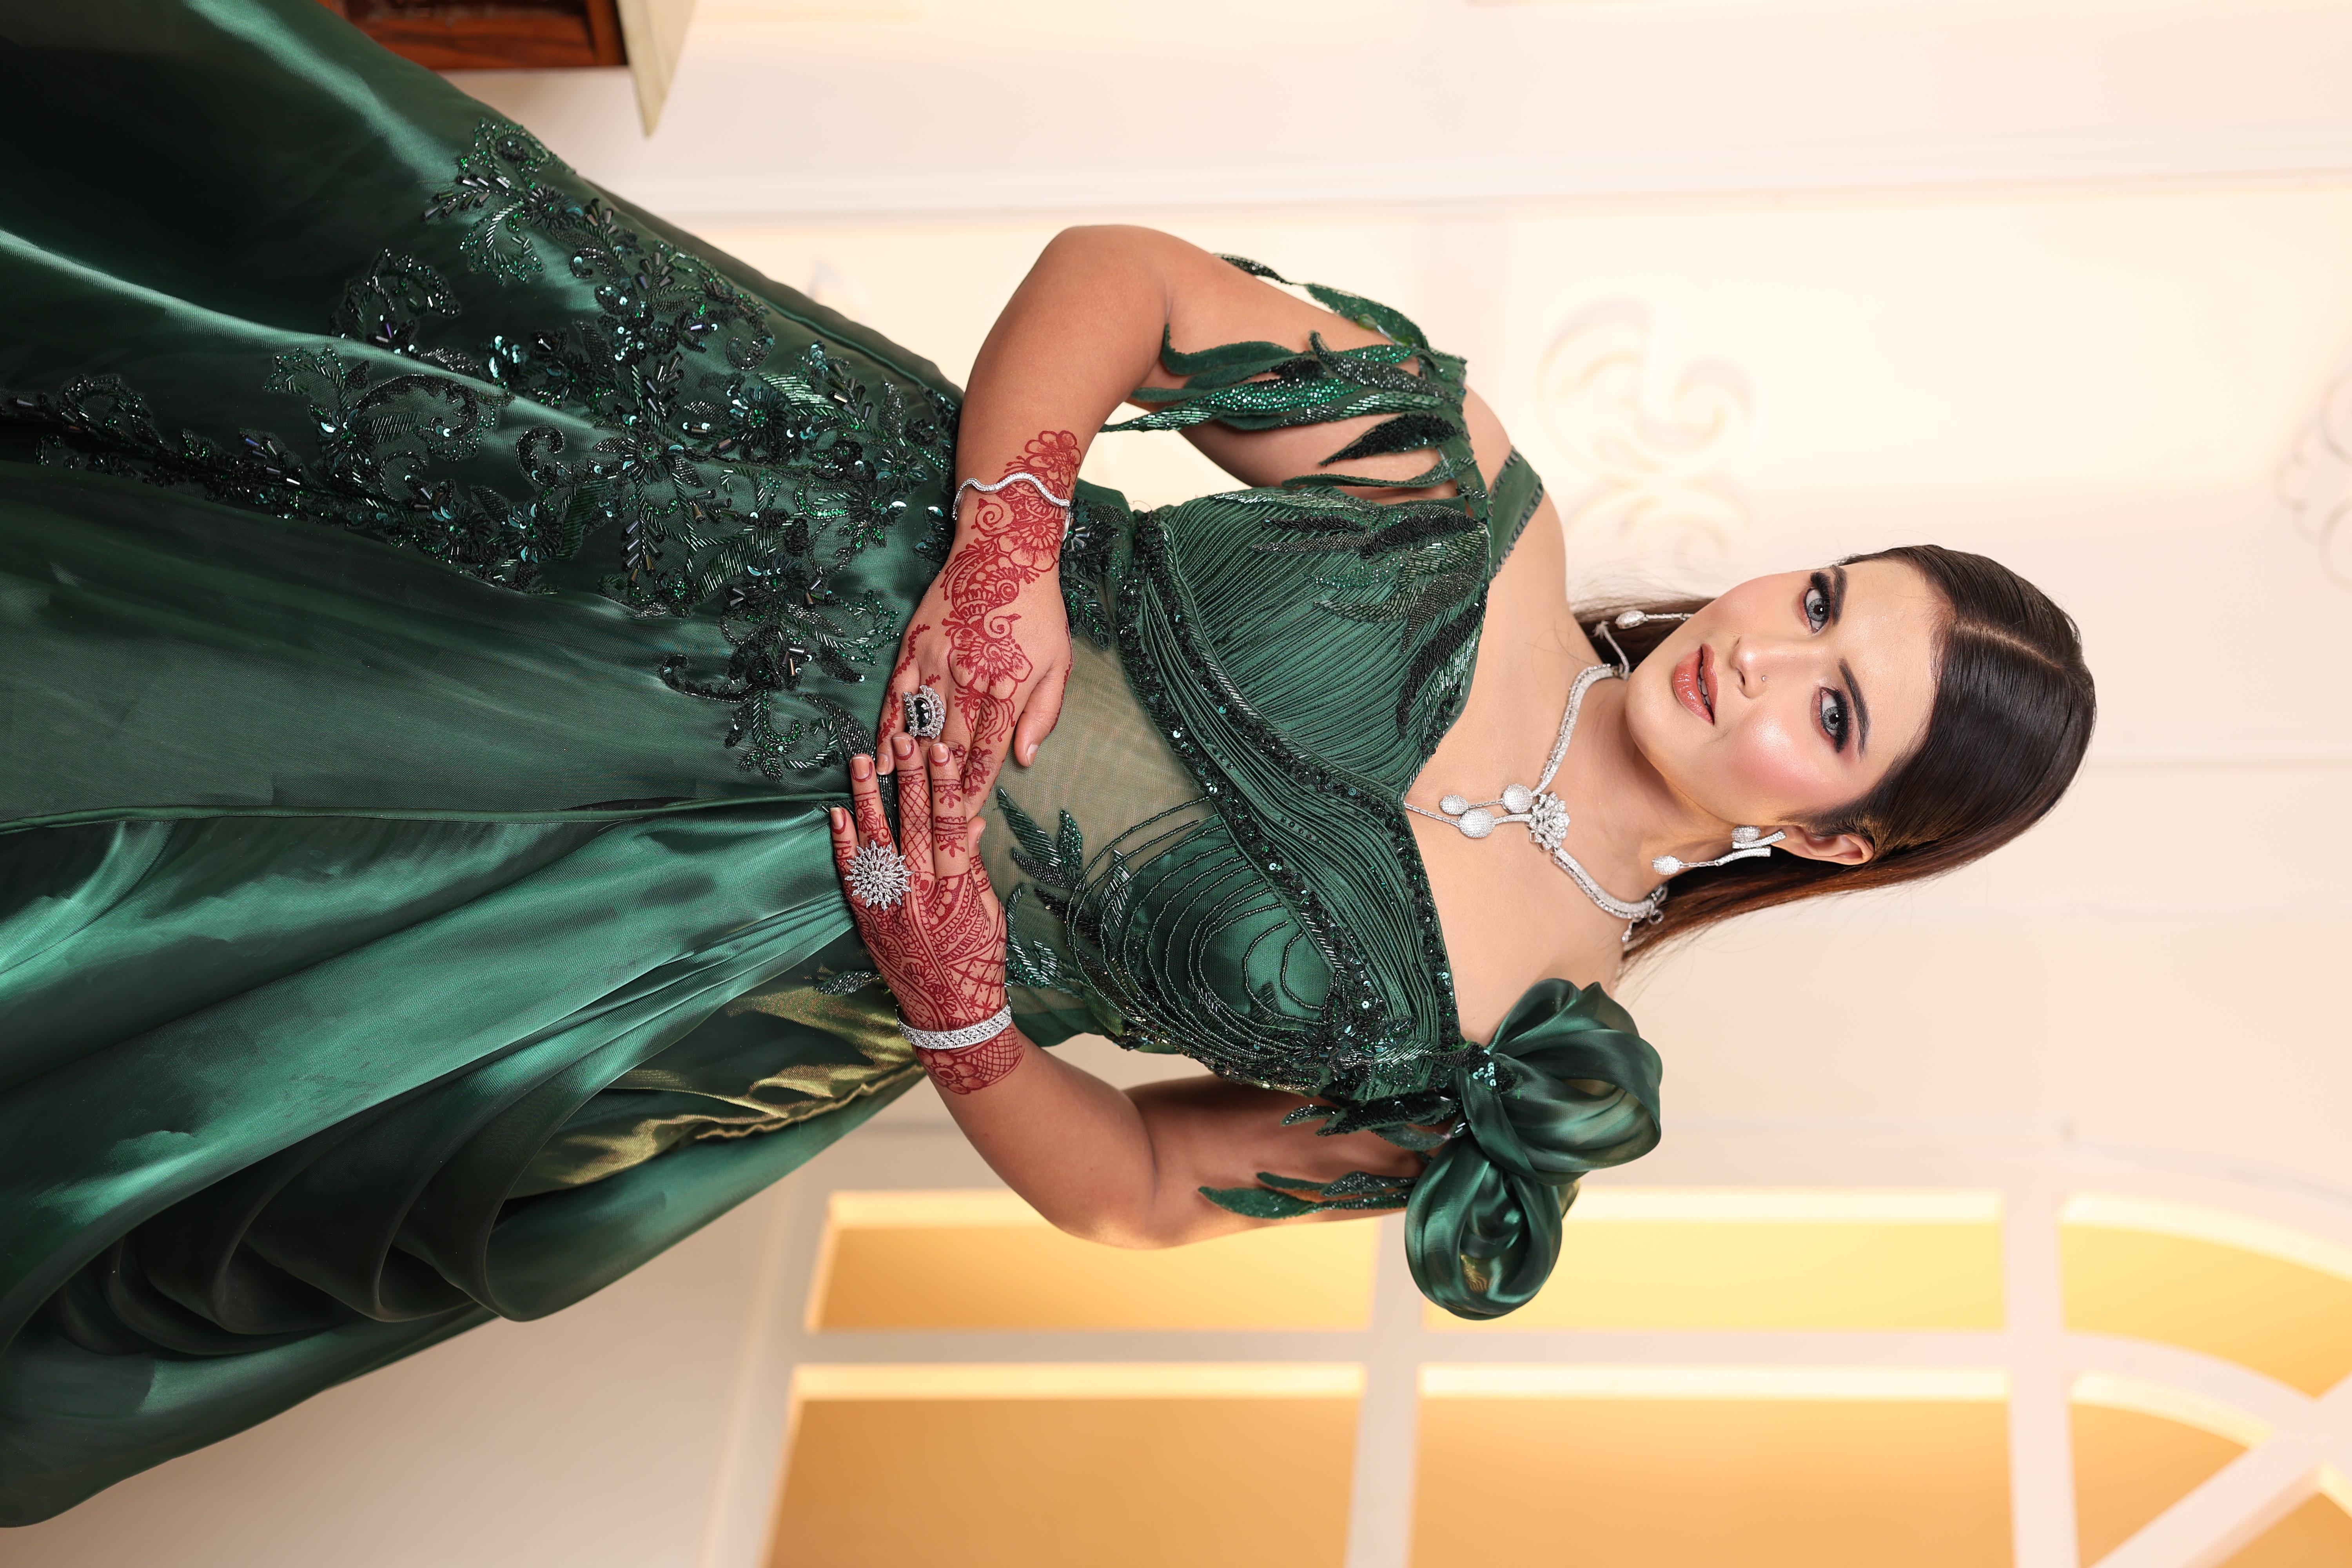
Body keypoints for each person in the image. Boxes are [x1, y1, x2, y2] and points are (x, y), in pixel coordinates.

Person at [0, 0, 2094, 1524]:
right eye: (1827, 598)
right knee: (207, 401)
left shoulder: (1509, 1069)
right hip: (764, 524)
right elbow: (1129, 283)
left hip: (743, 939)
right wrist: (1009, 546)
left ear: (1839, 841)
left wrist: (964, 1011)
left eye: (1836, 710)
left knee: (170, 907)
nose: (1765, 651)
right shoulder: (1470, 497)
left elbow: (1148, 1188)